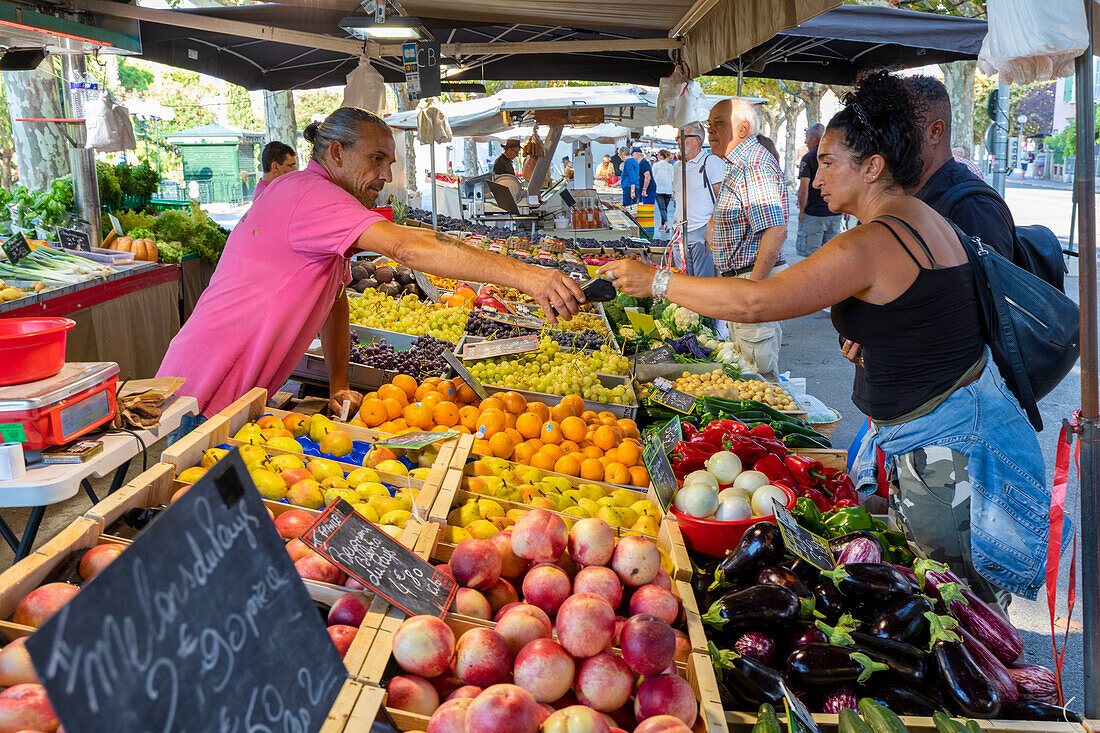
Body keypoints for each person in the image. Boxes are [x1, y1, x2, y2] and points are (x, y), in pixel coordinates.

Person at [599, 71, 1054, 608]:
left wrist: (655, 281)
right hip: (952, 434)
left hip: (944, 459)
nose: (815, 181)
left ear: (873, 167)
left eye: (829, 164)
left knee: (957, 613)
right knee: (953, 607)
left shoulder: (874, 240)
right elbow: (935, 316)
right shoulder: (925, 218)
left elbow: (756, 302)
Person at [159, 108, 584, 436]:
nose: (386, 175)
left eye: (391, 162)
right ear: (337, 153)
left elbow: (334, 301)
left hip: (233, 393)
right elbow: (404, 246)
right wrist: (529, 276)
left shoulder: (315, 201)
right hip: (202, 390)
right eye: (377, 158)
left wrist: (339, 383)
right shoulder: (311, 194)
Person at [704, 98, 788, 378]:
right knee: (744, 371)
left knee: (757, 377)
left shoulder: (753, 165)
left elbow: (775, 230)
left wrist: (753, 290)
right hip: (740, 282)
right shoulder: (738, 163)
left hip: (751, 281)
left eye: (718, 123)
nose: (710, 131)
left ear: (742, 128)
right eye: (709, 124)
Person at [904, 76, 1016, 261]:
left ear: (935, 132)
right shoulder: (912, 188)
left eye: (900, 130)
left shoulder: (973, 206)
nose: (887, 140)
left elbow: (994, 287)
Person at [670, 123, 725, 277]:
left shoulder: (711, 162)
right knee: (683, 281)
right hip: (680, 234)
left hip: (702, 231)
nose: (678, 141)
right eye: (677, 138)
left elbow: (723, 200)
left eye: (682, 137)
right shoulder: (678, 167)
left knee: (703, 284)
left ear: (697, 140)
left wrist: (711, 226)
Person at [797, 123, 844, 257]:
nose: (805, 141)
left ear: (815, 138)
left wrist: (801, 211)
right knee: (831, 257)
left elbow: (804, 187)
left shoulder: (809, 157)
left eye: (807, 137)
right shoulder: (837, 155)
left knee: (811, 257)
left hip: (815, 215)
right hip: (834, 214)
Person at [652, 149, 674, 235]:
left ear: (661, 156)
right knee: (664, 208)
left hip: (659, 189)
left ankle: (667, 225)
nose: (657, 156)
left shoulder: (656, 165)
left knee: (662, 208)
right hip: (668, 189)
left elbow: (653, 176)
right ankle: (662, 225)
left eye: (658, 155)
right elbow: (672, 178)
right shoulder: (670, 166)